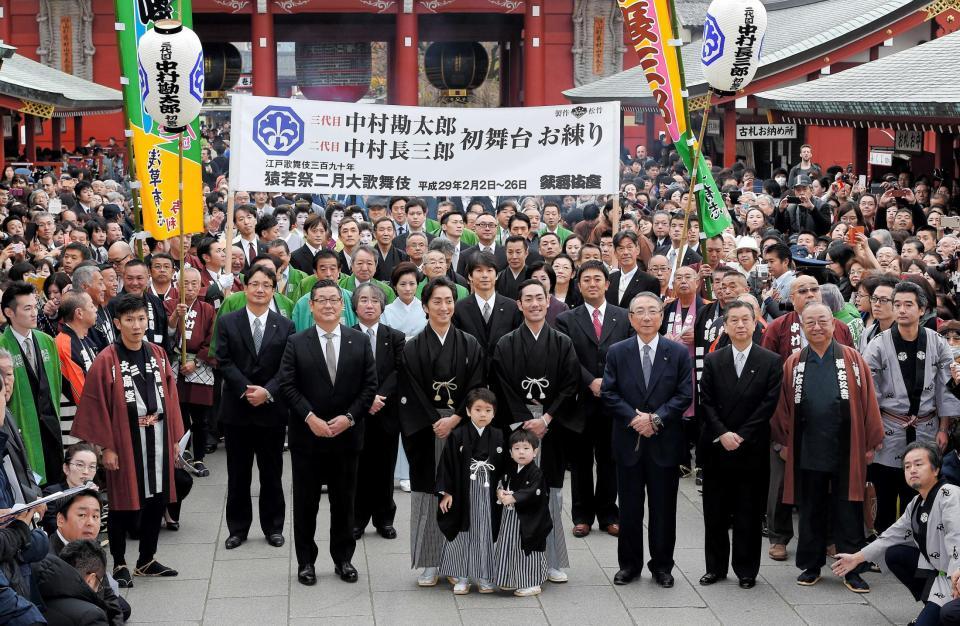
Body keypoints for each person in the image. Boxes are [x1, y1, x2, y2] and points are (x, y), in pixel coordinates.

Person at [71, 293, 185, 587]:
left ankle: (147, 559)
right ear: (118, 323)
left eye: (141, 319)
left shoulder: (158, 354)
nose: (137, 325)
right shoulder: (106, 359)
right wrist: (106, 446)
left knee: (158, 499)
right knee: (123, 503)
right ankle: (120, 561)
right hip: (124, 439)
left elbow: (171, 398)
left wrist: (174, 438)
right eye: (130, 320)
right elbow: (95, 403)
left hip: (158, 436)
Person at [771, 302, 884, 592]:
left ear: (833, 325)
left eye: (823, 321)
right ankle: (810, 565)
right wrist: (783, 441)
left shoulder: (852, 358)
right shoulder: (794, 362)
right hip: (808, 448)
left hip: (847, 447)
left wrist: (871, 441)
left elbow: (869, 401)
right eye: (810, 323)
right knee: (810, 508)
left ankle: (852, 569)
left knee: (848, 509)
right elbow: (783, 406)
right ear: (803, 327)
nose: (817, 327)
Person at [279, 279, 377, 586]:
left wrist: (349, 418)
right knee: (306, 503)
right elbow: (287, 385)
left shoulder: (358, 341)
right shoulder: (297, 342)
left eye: (334, 299)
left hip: (347, 436)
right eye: (321, 300)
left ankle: (343, 558)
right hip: (308, 437)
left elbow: (369, 386)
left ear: (342, 304)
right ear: (311, 306)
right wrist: (310, 418)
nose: (328, 305)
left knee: (344, 502)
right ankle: (306, 562)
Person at [398, 277, 485, 587]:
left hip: (461, 427)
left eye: (449, 300)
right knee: (426, 495)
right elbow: (410, 390)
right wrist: (437, 421)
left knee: (462, 493)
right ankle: (430, 561)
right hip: (426, 428)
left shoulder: (470, 344)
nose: (444, 307)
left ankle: (460, 560)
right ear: (425, 306)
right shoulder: (412, 347)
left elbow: (476, 385)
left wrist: (457, 418)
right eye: (437, 301)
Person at [602, 292, 693, 587]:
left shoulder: (677, 352)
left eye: (652, 311)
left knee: (664, 510)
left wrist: (656, 419)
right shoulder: (618, 351)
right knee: (629, 509)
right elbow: (609, 393)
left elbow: (684, 395)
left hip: (665, 442)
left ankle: (662, 566)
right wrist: (635, 418)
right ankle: (629, 565)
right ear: (630, 318)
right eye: (639, 312)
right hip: (628, 442)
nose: (646, 317)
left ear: (661, 315)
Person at [492, 279, 580, 583]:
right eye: (527, 299)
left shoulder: (562, 342)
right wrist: (524, 424)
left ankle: (552, 559)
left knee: (552, 494)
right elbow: (501, 385)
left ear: (548, 302)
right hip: (518, 429)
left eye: (539, 298)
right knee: (515, 492)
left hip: (551, 426)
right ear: (519, 304)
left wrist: (547, 418)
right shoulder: (506, 343)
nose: (534, 304)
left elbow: (571, 384)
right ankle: (515, 557)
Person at [697, 300, 782, 589]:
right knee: (715, 512)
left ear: (756, 321)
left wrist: (742, 435)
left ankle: (746, 570)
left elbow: (768, 404)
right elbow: (705, 402)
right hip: (718, 446)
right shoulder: (713, 360)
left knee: (748, 511)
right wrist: (722, 433)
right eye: (734, 320)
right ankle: (715, 567)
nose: (741, 325)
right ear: (725, 326)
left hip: (752, 446)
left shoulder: (770, 361)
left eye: (746, 319)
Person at [863, 281, 960, 534]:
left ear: (922, 309)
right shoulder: (878, 344)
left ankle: (918, 544)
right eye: (897, 305)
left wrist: (944, 427)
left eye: (908, 305)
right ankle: (882, 544)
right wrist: (872, 433)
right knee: (885, 489)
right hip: (889, 425)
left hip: (927, 426)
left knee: (920, 490)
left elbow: (945, 389)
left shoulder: (938, 342)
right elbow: (868, 393)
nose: (902, 310)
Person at [831, 442, 960, 626]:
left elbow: (958, 539)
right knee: (895, 553)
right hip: (942, 578)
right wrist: (856, 558)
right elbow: (889, 536)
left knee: (948, 614)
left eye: (918, 464)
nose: (912, 470)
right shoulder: (916, 503)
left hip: (956, 575)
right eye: (907, 466)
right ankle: (932, 606)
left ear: (936, 469)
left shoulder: (950, 495)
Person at [216, 264, 294, 551]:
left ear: (274, 290)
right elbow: (223, 361)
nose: (260, 289)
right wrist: (247, 389)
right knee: (238, 473)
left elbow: (288, 367)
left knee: (272, 472)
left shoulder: (284, 325)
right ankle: (237, 529)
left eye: (266, 285)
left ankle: (274, 527)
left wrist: (268, 391)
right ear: (245, 287)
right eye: (255, 284)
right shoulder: (228, 322)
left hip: (272, 411)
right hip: (237, 409)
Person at [556, 261, 631, 538]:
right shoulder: (567, 318)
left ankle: (609, 514)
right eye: (586, 280)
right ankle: (582, 515)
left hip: (614, 401)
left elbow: (628, 355)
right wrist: (590, 381)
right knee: (581, 461)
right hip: (581, 400)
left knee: (610, 459)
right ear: (579, 285)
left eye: (597, 279)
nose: (592, 284)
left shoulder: (623, 317)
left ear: (607, 283)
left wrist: (608, 383)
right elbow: (567, 357)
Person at [436, 388, 505, 595]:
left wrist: (503, 488)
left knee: (485, 533)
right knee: (462, 534)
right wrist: (446, 492)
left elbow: (505, 467)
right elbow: (446, 464)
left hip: (489, 492)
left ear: (494, 413)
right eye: (477, 409)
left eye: (488, 410)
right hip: (463, 491)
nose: (483, 414)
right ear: (467, 411)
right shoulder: (458, 435)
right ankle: (462, 577)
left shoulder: (500, 435)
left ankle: (484, 577)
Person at [351, 284, 406, 541]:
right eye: (363, 300)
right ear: (355, 306)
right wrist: (366, 399)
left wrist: (378, 397)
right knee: (359, 469)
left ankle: (385, 519)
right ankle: (357, 519)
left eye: (374, 300)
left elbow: (398, 370)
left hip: (386, 412)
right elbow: (345, 376)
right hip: (357, 414)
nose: (369, 304)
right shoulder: (346, 335)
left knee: (385, 468)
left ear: (382, 306)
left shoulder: (394, 336)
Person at [0, 281, 64, 485]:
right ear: (9, 312)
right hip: (21, 432)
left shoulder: (47, 341)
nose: (34, 312)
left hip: (50, 429)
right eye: (27, 308)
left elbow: (56, 384)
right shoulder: (2, 348)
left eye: (35, 306)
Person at [165, 267, 217, 477]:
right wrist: (176, 316)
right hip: (177, 363)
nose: (191, 287)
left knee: (201, 417)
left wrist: (196, 361)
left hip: (199, 364)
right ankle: (183, 453)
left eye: (195, 283)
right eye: (186, 283)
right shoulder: (169, 304)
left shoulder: (207, 309)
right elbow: (166, 333)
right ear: (178, 285)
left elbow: (213, 339)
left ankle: (200, 457)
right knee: (180, 413)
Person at [493, 428, 552, 597]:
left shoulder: (536, 473)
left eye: (526, 448)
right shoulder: (510, 469)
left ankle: (532, 582)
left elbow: (534, 491)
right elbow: (501, 483)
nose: (521, 452)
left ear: (535, 452)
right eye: (517, 448)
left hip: (529, 520)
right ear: (510, 452)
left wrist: (514, 498)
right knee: (509, 547)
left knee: (527, 549)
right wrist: (500, 493)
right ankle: (510, 578)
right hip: (511, 518)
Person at [453, 251, 522, 359]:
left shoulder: (512, 307)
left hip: (504, 370)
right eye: (479, 270)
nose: (485, 275)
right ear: (470, 276)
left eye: (489, 270)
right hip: (471, 370)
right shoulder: (459, 308)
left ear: (496, 275)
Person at [32, 540, 118, 626]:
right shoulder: (91, 616)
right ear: (91, 580)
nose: (100, 589)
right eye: (100, 585)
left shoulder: (35, 589)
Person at [54, 292, 99, 451]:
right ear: (79, 313)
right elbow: (79, 389)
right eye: (91, 306)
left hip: (86, 417)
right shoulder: (64, 342)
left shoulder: (84, 339)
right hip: (74, 420)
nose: (95, 310)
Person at [605, 232, 659, 309]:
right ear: (615, 253)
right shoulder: (609, 279)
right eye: (621, 248)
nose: (625, 252)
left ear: (637, 250)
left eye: (629, 247)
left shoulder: (650, 281)